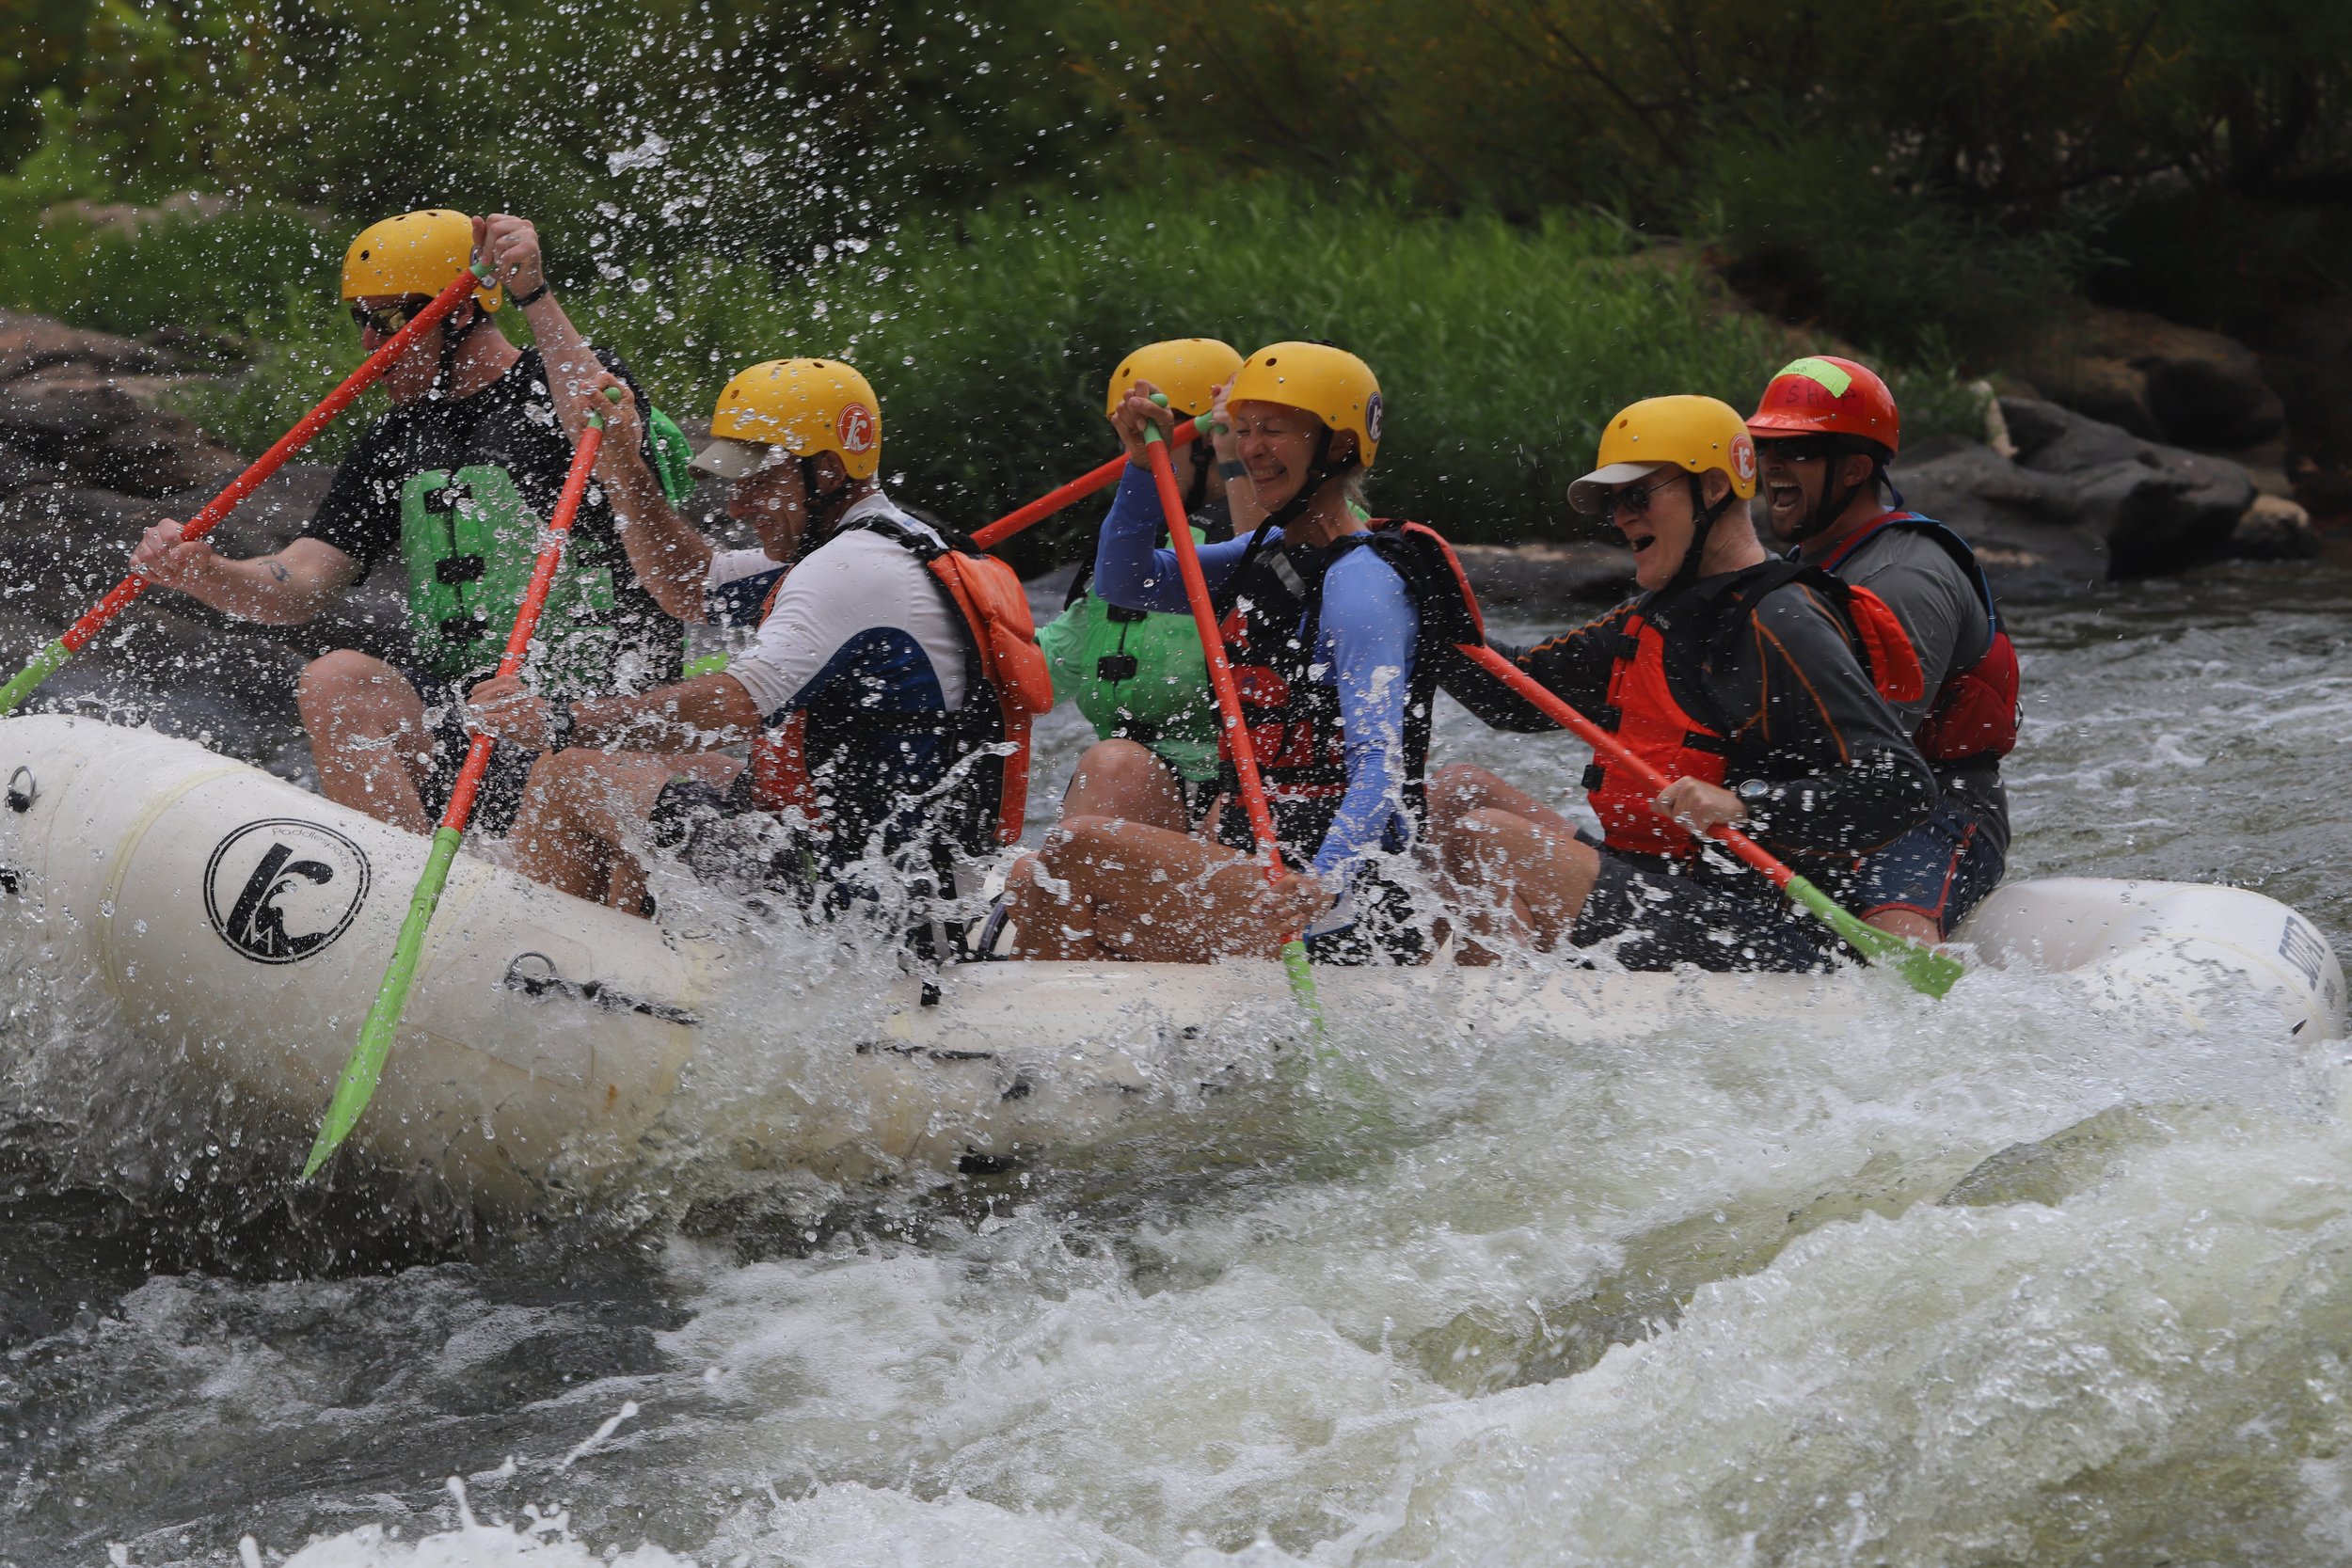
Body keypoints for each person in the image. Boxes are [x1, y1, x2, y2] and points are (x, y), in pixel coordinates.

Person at [125, 207, 699, 836]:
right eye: (360, 320)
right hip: (467, 721)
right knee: (335, 679)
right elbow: (301, 582)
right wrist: (206, 572)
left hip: (587, 723)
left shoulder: (560, 385)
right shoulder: (393, 440)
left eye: (388, 319)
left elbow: (596, 420)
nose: (370, 342)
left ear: (459, 312)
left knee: (576, 764)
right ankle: (398, 872)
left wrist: (533, 295)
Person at [469, 357, 1049, 946]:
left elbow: (732, 706)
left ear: (827, 471)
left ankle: (542, 961)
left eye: (758, 482)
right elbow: (686, 582)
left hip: (860, 910)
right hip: (896, 878)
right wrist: (622, 462)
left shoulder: (849, 571)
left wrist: (559, 720)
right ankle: (623, 957)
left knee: (570, 770)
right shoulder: (890, 543)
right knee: (663, 770)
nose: (736, 506)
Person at [1008, 342, 1481, 965]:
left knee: (1073, 849)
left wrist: (1323, 880)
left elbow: (1380, 765)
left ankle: (1057, 1021)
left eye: (1274, 430)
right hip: (1256, 869)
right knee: (1031, 879)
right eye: (1244, 429)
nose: (1252, 448)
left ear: (1338, 447)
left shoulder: (1362, 582)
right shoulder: (1265, 555)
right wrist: (1142, 468)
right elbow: (1126, 581)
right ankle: (1069, 1021)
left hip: (1342, 899)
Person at [1429, 395, 1940, 971]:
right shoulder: (1655, 615)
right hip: (1662, 887)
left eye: (1638, 496)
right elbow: (1514, 695)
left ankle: (1483, 1009)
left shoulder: (1784, 620)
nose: (1621, 518)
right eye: (1614, 502)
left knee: (1489, 839)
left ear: (1714, 488)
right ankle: (1426, 984)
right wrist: (1428, 611)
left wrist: (1745, 805)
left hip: (1760, 927)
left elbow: (1901, 786)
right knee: (1457, 790)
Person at [1748, 356, 2016, 942]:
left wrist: (1752, 798)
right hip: (1831, 798)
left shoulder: (1904, 577)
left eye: (1797, 450)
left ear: (1854, 469)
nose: (1772, 465)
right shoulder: (1797, 571)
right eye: (1765, 448)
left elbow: (1879, 761)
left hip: (1935, 809)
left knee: (1893, 927)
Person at [1034, 338, 1244, 830]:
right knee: (1111, 766)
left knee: (1117, 770)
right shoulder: (1129, 548)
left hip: (1248, 788)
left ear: (1212, 439)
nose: (1131, 450)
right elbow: (1041, 672)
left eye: (1152, 434)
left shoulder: (1297, 537)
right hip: (1144, 784)